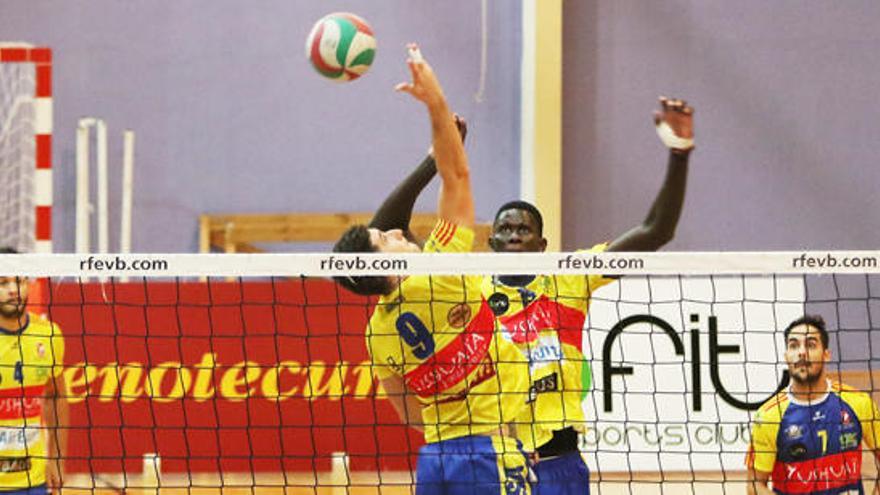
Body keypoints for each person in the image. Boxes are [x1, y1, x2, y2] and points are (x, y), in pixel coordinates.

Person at [366, 96, 694, 494]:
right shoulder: (462, 285)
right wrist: (437, 159)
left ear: (543, 245)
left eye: (524, 229)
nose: (513, 234)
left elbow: (655, 230)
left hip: (558, 465)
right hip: (490, 458)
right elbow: (382, 234)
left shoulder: (570, 278)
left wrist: (679, 155)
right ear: (490, 245)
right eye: (503, 229)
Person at [333, 45, 531, 495]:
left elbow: (407, 411)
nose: (397, 234)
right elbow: (457, 176)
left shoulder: (378, 331)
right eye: (387, 241)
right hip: (489, 450)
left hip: (437, 458)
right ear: (380, 267)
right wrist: (436, 104)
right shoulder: (440, 269)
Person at [746, 315, 880, 495]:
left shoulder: (858, 403)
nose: (802, 352)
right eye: (794, 345)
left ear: (826, 354)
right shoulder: (769, 416)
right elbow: (755, 484)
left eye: (810, 344)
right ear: (786, 357)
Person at [0, 248, 68, 495]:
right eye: (2, 282)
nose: (13, 289)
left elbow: (56, 397)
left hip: (35, 481)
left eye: (18, 280)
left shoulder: (48, 334)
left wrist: (58, 461)